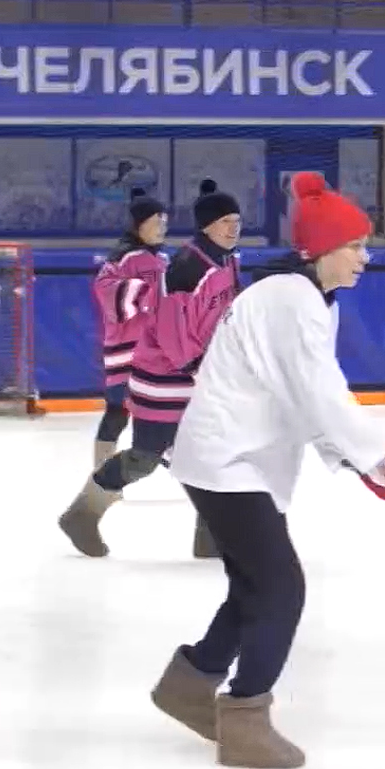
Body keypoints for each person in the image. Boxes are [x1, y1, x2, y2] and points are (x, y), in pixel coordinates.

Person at [152, 172, 385, 769]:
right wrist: (384, 458)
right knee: (282, 589)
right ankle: (245, 720)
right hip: (227, 462)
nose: (365, 257)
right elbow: (318, 393)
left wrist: (365, 464)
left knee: (255, 586)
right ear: (320, 250)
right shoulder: (291, 299)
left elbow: (305, 396)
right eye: (356, 246)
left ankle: (188, 685)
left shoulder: (308, 299)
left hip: (239, 461)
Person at [59, 179, 243, 559]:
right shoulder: (187, 268)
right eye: (226, 220)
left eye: (237, 220)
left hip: (195, 380)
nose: (233, 228)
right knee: (146, 457)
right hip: (165, 381)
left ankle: (212, 536)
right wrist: (203, 369)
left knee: (209, 454)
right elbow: (174, 334)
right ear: (207, 225)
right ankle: (82, 514)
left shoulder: (225, 261)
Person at [88, 189, 168, 469]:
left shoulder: (161, 259)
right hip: (127, 353)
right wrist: (149, 294)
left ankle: (182, 469)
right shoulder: (124, 258)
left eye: (164, 222)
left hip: (156, 354)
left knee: (167, 413)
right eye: (157, 222)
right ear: (140, 224)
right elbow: (107, 291)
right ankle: (101, 474)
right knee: (117, 413)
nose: (162, 228)